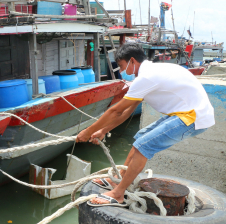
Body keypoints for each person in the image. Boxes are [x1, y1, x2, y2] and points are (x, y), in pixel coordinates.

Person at [76, 43, 215, 207]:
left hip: (193, 117)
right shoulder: (151, 73)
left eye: (121, 66)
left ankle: (118, 193)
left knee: (144, 145)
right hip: (185, 114)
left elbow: (115, 111)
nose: (121, 71)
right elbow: (127, 112)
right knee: (140, 137)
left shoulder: (146, 77)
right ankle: (119, 179)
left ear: (132, 61)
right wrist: (103, 130)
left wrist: (87, 131)